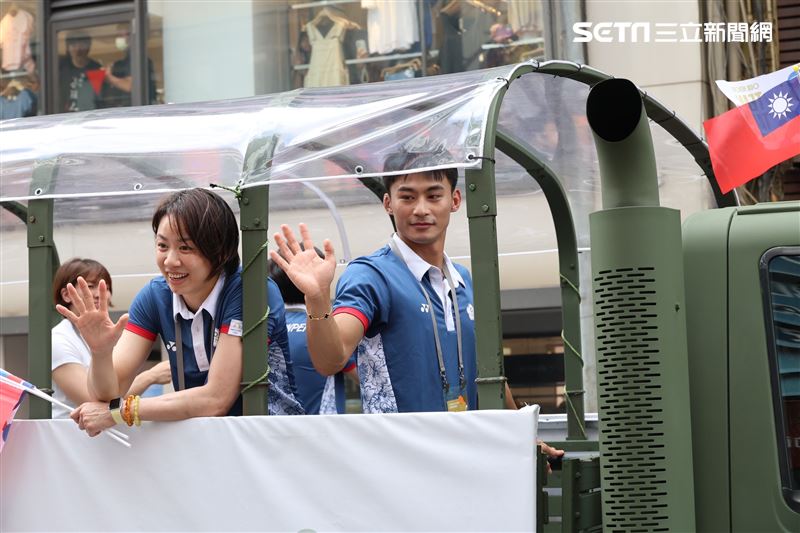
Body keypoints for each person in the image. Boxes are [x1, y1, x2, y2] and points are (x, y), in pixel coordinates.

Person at [271, 151, 563, 458]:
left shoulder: (463, 279)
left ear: (455, 200)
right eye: (407, 197)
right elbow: (330, 361)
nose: (421, 209)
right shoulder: (369, 275)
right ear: (388, 203)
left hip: (474, 456)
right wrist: (317, 297)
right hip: (402, 463)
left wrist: (524, 438)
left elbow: (489, 374)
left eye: (433, 195)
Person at [59, 189, 303, 436]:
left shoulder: (249, 291)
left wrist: (120, 412)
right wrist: (101, 353)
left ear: (221, 251)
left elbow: (215, 398)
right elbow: (107, 393)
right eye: (162, 245)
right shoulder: (155, 295)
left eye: (185, 248)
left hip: (268, 442)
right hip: (200, 442)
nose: (170, 261)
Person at [51, 258, 172, 419]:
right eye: (90, 286)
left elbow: (113, 394)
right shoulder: (59, 339)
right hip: (70, 437)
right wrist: (150, 376)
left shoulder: (109, 332)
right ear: (66, 294)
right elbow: (96, 400)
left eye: (106, 287)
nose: (99, 294)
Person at [270, 246, 356, 414]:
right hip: (323, 431)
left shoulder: (264, 331)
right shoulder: (330, 331)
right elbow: (369, 378)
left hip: (273, 431)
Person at [101, 24, 157, 108]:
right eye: (119, 35)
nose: (122, 39)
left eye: (125, 35)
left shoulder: (137, 59)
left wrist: (109, 77)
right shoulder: (125, 61)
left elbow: (130, 85)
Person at [58, 30, 103, 112]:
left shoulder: (95, 68)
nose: (78, 49)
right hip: (63, 117)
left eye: (82, 45)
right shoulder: (60, 67)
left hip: (89, 116)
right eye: (74, 45)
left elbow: (99, 98)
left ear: (89, 47)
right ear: (68, 47)